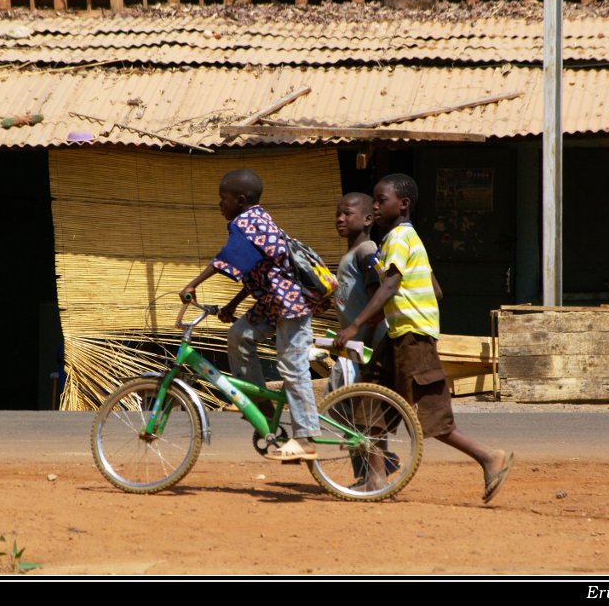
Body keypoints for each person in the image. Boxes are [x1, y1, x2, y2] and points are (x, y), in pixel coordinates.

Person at [332, 173, 515, 501]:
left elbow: (390, 285)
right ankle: (376, 480)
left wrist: (355, 325)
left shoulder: (400, 238)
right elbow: (436, 289)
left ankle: (489, 457)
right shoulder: (404, 240)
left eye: (381, 200)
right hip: (397, 335)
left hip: (413, 337)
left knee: (429, 415)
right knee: (371, 400)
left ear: (403, 204)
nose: (376, 206)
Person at [179, 168, 321, 461]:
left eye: (224, 198)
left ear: (241, 200)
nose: (220, 204)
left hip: (290, 305)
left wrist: (194, 283)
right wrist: (233, 304)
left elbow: (228, 258)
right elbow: (255, 268)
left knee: (292, 368)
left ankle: (305, 438)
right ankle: (260, 405)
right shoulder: (256, 221)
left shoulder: (248, 222)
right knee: (239, 334)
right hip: (272, 304)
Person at [329, 192, 399, 484]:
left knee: (355, 408)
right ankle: (374, 467)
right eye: (338, 214)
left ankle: (375, 470)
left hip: (365, 346)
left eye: (348, 213)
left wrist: (363, 340)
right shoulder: (351, 255)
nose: (340, 219)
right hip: (353, 347)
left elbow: (376, 303)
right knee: (342, 405)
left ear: (368, 219)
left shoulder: (366, 251)